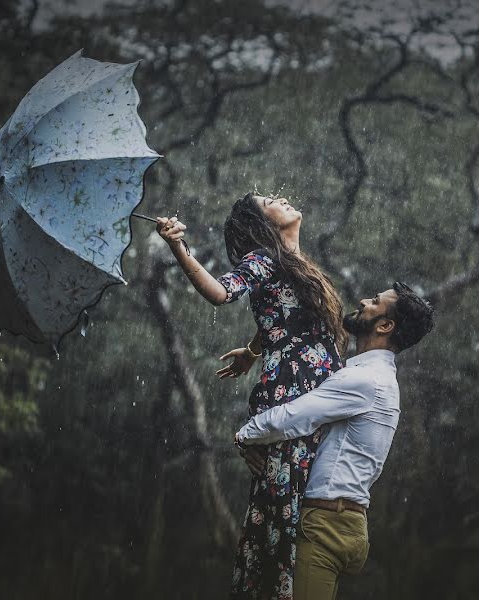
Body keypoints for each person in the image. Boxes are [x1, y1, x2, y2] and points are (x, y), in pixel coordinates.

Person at [155, 193, 346, 600]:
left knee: (299, 507)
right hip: (292, 393)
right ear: (264, 225)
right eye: (268, 201)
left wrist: (254, 349)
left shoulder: (291, 263)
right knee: (283, 515)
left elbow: (284, 312)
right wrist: (177, 246)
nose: (282, 197)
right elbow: (221, 292)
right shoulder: (263, 259)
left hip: (309, 393)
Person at [234, 282, 435, 599]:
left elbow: (295, 417)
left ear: (385, 325)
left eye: (374, 301)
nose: (363, 301)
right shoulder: (375, 377)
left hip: (325, 524)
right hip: (345, 523)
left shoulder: (365, 380)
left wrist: (245, 434)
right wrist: (253, 350)